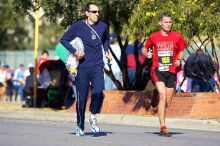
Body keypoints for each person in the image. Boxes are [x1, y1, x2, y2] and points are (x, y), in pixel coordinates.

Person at [60, 2, 111, 136]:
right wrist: (75, 52)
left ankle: (93, 116)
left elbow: (105, 39)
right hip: (82, 67)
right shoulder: (79, 26)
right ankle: (80, 126)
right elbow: (63, 40)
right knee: (81, 98)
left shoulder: (103, 26)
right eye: (94, 12)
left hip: (97, 66)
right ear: (87, 13)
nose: (97, 14)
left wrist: (106, 51)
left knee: (99, 92)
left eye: (98, 12)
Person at [142, 13, 187, 137]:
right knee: (163, 95)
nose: (168, 24)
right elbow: (144, 49)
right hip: (158, 70)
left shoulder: (177, 36)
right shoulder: (154, 36)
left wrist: (179, 60)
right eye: (166, 22)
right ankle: (163, 127)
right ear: (160, 23)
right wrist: (147, 55)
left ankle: (156, 95)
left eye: (170, 22)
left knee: (167, 102)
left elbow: (182, 51)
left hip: (172, 71)